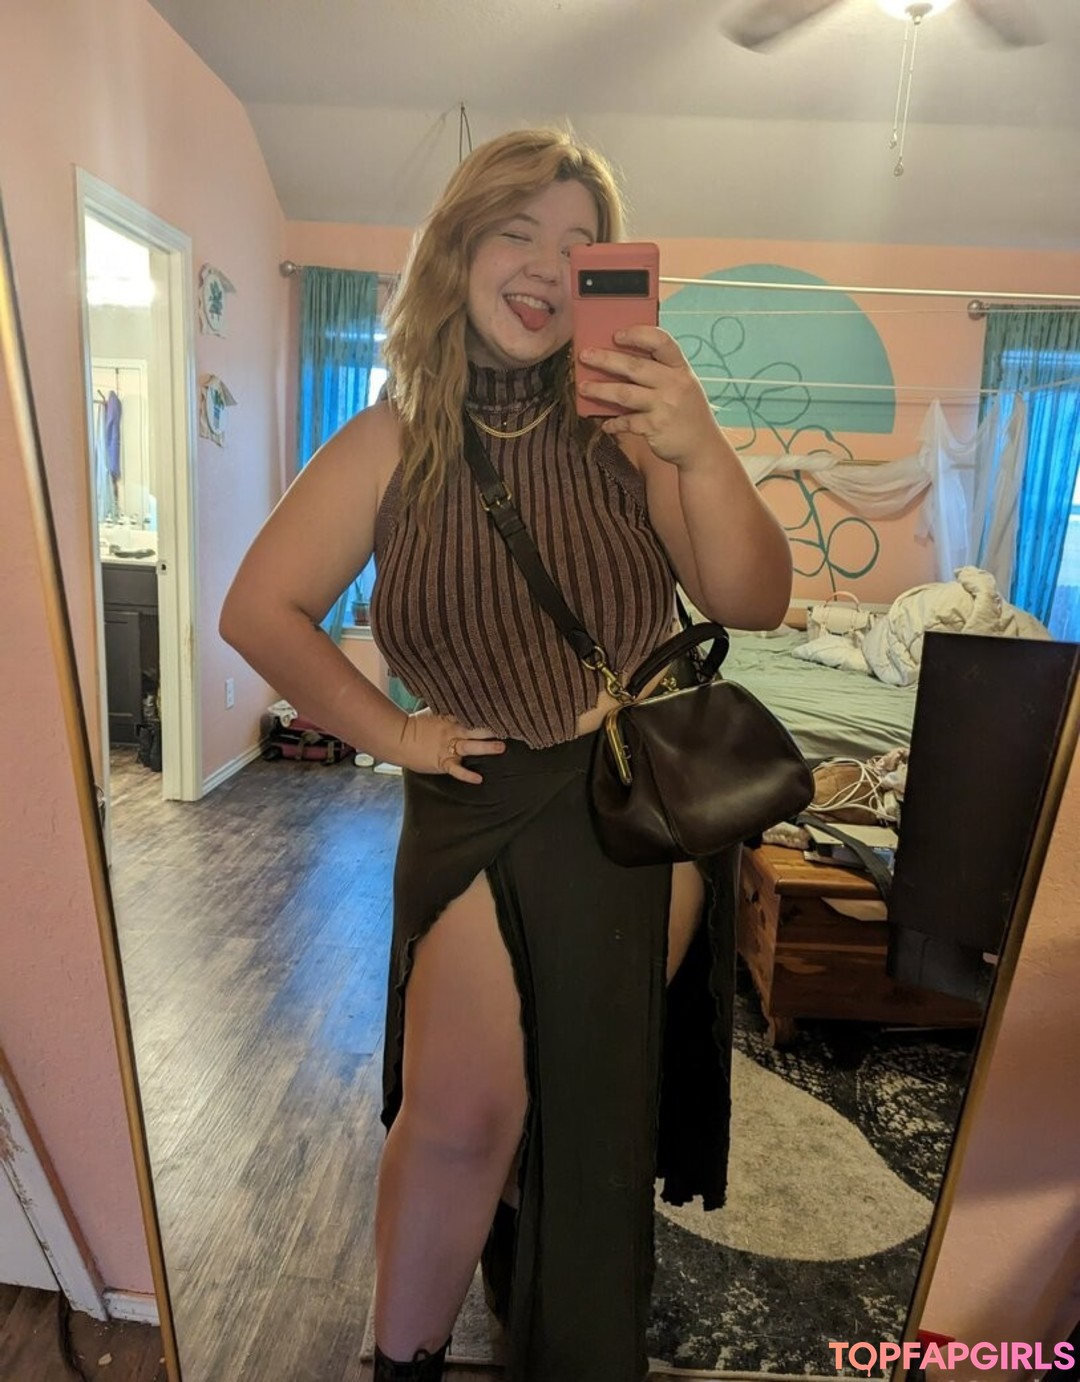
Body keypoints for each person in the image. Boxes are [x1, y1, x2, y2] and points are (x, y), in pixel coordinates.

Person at [220, 127, 793, 1382]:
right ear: (459, 248)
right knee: (464, 1113)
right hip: (471, 795)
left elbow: (755, 598)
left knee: (579, 1110)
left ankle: (543, 1307)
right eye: (517, 231)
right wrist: (392, 731)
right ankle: (407, 1356)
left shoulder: (628, 427)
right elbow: (259, 609)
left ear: (606, 282)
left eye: (581, 246)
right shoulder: (388, 442)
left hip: (627, 802)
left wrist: (699, 443)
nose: (545, 264)